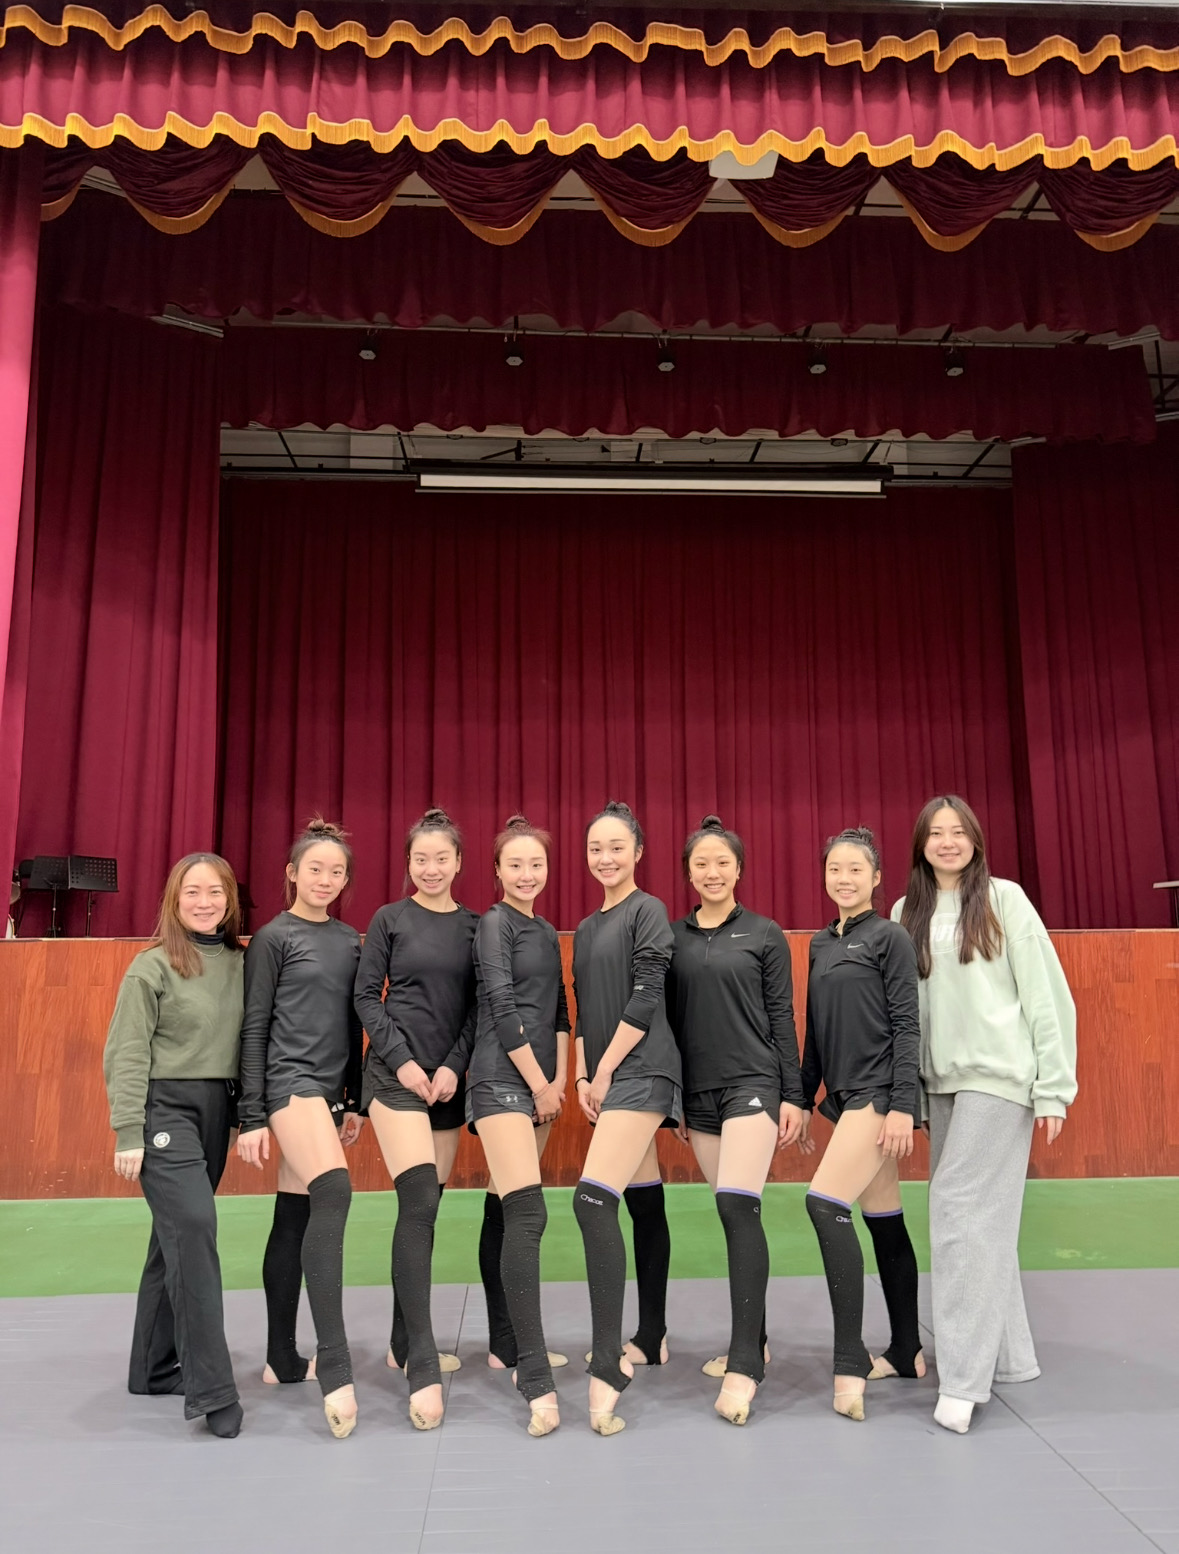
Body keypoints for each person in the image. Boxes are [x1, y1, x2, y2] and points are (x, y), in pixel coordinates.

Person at [894, 795, 1077, 1435]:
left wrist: (1053, 1087)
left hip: (999, 1079)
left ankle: (963, 1380)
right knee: (985, 1221)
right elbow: (905, 1011)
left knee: (958, 1213)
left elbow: (1046, 996)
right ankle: (1010, 1358)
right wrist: (909, 1093)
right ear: (920, 844)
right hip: (940, 1083)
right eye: (935, 833)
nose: (947, 842)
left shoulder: (1006, 899)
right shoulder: (906, 912)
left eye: (958, 832)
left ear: (975, 839)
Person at [667, 816, 806, 1426]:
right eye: (701, 863)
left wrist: (793, 1096)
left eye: (722, 861)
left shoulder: (765, 934)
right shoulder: (673, 938)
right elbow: (668, 1023)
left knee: (737, 1206)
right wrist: (675, 1099)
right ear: (688, 872)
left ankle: (746, 1363)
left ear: (739, 869)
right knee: (731, 1215)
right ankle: (758, 1337)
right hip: (699, 1095)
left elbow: (782, 1017)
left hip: (754, 1085)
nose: (712, 872)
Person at [102, 852, 246, 1439]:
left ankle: (152, 1367)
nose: (204, 902)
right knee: (193, 1227)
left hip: (216, 1112)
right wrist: (128, 1130)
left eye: (215, 892)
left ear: (229, 899)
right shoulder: (152, 967)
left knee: (174, 1240)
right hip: (164, 1111)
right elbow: (126, 1051)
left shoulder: (244, 963)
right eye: (192, 892)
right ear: (174, 900)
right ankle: (212, 1389)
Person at [236, 818, 365, 1439]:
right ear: (292, 873)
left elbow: (353, 1022)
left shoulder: (349, 940)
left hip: (331, 1092)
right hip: (289, 1083)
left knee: (294, 1212)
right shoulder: (272, 939)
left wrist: (355, 1100)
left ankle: (281, 1357)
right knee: (334, 1192)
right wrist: (251, 1113)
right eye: (315, 868)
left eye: (337, 872)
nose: (325, 879)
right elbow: (254, 1026)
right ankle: (335, 1364)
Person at [353, 807, 478, 1430]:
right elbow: (364, 996)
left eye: (441, 858)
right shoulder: (389, 919)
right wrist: (402, 1062)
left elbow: (481, 1008)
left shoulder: (477, 926)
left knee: (425, 1212)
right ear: (408, 864)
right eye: (420, 859)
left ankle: (403, 1342)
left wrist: (453, 1065)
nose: (431, 868)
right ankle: (423, 1364)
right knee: (420, 1199)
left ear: (458, 863)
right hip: (394, 1079)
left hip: (448, 1084)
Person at [799, 827, 923, 1422]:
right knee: (885, 1221)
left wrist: (903, 1105)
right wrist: (801, 1099)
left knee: (824, 1204)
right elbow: (815, 1033)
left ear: (876, 878)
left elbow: (907, 1023)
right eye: (835, 869)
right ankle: (907, 1350)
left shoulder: (890, 937)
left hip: (879, 1096)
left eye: (856, 869)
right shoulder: (820, 943)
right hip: (847, 1098)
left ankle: (849, 1361)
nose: (844, 878)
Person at [571, 801, 681, 1436]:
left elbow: (646, 996)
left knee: (591, 1201)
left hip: (642, 1070)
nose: (606, 858)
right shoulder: (587, 928)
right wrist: (583, 1075)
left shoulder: (648, 911)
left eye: (617, 847)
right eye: (596, 848)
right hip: (608, 1075)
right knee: (642, 1197)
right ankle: (653, 1334)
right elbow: (586, 1008)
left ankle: (608, 1363)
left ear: (638, 852)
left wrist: (606, 1069)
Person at [467, 815, 569, 1437]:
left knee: (504, 1207)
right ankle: (534, 1375)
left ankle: (504, 1343)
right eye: (515, 865)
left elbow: (559, 1011)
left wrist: (560, 1081)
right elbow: (503, 1009)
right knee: (529, 1214)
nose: (527, 874)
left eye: (536, 864)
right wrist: (537, 1083)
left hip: (542, 1087)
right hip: (502, 1080)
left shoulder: (546, 931)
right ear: (498, 871)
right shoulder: (494, 923)